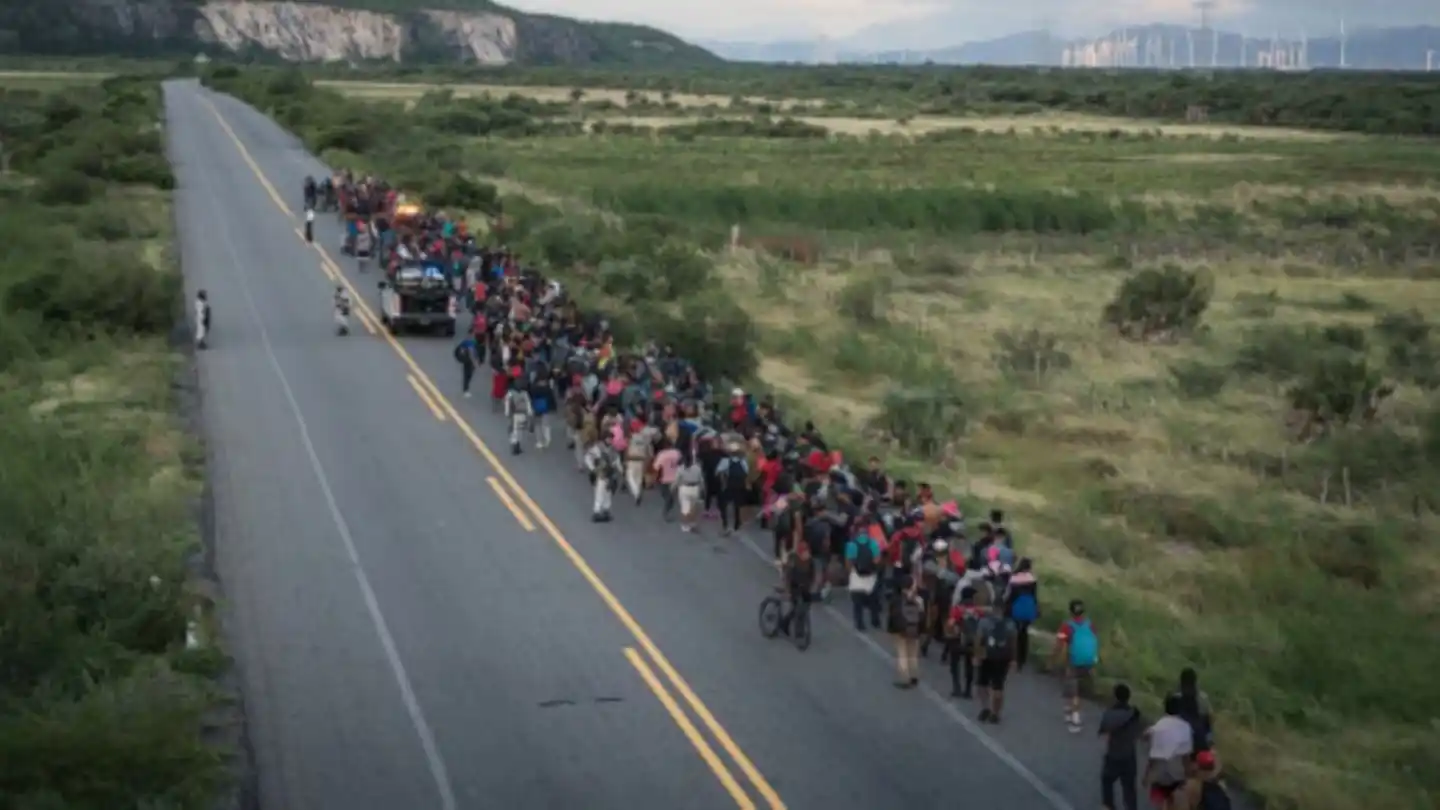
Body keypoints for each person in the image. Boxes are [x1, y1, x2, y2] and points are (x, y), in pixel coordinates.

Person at [1054, 598, 1099, 732]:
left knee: (1073, 689)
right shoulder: (1090, 625)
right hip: (1089, 660)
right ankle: (1070, 710)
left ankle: (1075, 719)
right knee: (1076, 686)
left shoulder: (1066, 626)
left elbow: (1059, 645)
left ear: (1070, 611)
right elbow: (1094, 640)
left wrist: (1052, 660)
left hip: (1074, 661)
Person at [1144, 694, 1194, 810]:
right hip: (1177, 774)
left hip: (1159, 773)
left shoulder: (1159, 724)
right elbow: (1186, 757)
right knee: (1175, 803)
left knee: (1160, 802)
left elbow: (1152, 753)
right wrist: (1189, 775)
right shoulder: (1186, 727)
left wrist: (1146, 775)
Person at [1099, 683, 1144, 810]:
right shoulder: (1134, 714)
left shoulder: (1110, 714)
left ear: (1115, 697)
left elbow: (1104, 729)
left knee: (1107, 781)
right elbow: (1138, 733)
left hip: (1113, 755)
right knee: (1129, 789)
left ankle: (1109, 806)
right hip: (1129, 756)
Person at [973, 601, 1016, 723]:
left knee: (982, 684)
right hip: (1003, 658)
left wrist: (977, 655)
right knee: (998, 686)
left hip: (987, 656)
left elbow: (979, 639)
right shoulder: (1010, 624)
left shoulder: (984, 622)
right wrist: (1013, 659)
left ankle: (985, 707)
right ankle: (995, 713)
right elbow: (1013, 642)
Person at [777, 541, 819, 636]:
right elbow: (788, 577)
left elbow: (813, 575)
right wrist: (788, 591)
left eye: (807, 552)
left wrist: (813, 587)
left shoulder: (810, 562)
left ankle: (800, 628)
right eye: (804, 553)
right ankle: (785, 624)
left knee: (805, 607)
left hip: (804, 586)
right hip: (794, 586)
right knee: (796, 607)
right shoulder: (793, 561)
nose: (806, 554)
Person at [453, 333, 480, 397]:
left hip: (468, 359)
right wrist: (475, 363)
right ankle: (465, 390)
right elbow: (471, 354)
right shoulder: (469, 343)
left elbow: (474, 351)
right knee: (467, 375)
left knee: (468, 375)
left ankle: (466, 389)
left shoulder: (471, 341)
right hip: (467, 360)